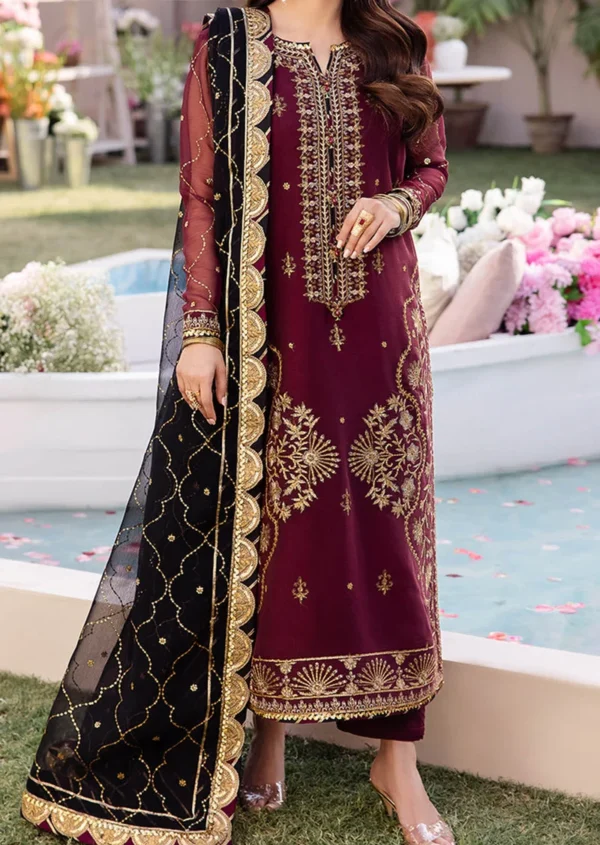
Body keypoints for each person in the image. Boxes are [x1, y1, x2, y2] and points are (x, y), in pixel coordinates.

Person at [22, 2, 450, 844]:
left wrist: (396, 203)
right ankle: (269, 735)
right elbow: (201, 197)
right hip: (271, 333)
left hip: (381, 333)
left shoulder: (394, 40)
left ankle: (397, 760)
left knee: (389, 529)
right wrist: (201, 331)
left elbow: (431, 166)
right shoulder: (226, 46)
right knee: (275, 527)